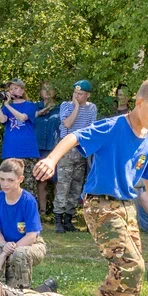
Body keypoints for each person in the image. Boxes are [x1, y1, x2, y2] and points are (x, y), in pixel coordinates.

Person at [33, 77, 148, 296]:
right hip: (100, 205)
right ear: (139, 103)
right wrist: (51, 159)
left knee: (131, 274)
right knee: (131, 266)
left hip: (126, 208)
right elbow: (74, 137)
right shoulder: (113, 127)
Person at [0, 158, 45, 288]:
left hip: (31, 245)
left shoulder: (28, 201)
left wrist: (5, 253)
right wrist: (4, 245)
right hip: (7, 244)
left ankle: (24, 293)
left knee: (18, 254)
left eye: (10, 180)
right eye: (2, 179)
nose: (5, 184)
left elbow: (31, 236)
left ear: (20, 179)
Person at [49, 79, 98, 233]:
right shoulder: (66, 106)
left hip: (81, 149)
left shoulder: (92, 108)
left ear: (87, 95)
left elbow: (91, 128)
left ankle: (69, 218)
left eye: (80, 94)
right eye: (75, 93)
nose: (77, 96)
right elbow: (68, 124)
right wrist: (76, 106)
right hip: (66, 148)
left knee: (76, 185)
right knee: (63, 184)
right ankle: (58, 218)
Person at [0, 78, 40, 193]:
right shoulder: (6, 107)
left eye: (16, 88)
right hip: (11, 150)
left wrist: (8, 105)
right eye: (11, 89)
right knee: (10, 185)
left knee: (29, 186)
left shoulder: (30, 105)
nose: (13, 91)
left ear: (22, 91)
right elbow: (2, 119)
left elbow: (23, 117)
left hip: (27, 151)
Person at [33, 83, 61, 215]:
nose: (47, 91)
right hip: (38, 148)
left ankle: (57, 212)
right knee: (41, 180)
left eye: (50, 88)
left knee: (57, 180)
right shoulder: (34, 107)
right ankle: (42, 211)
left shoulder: (60, 108)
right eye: (44, 88)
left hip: (55, 148)